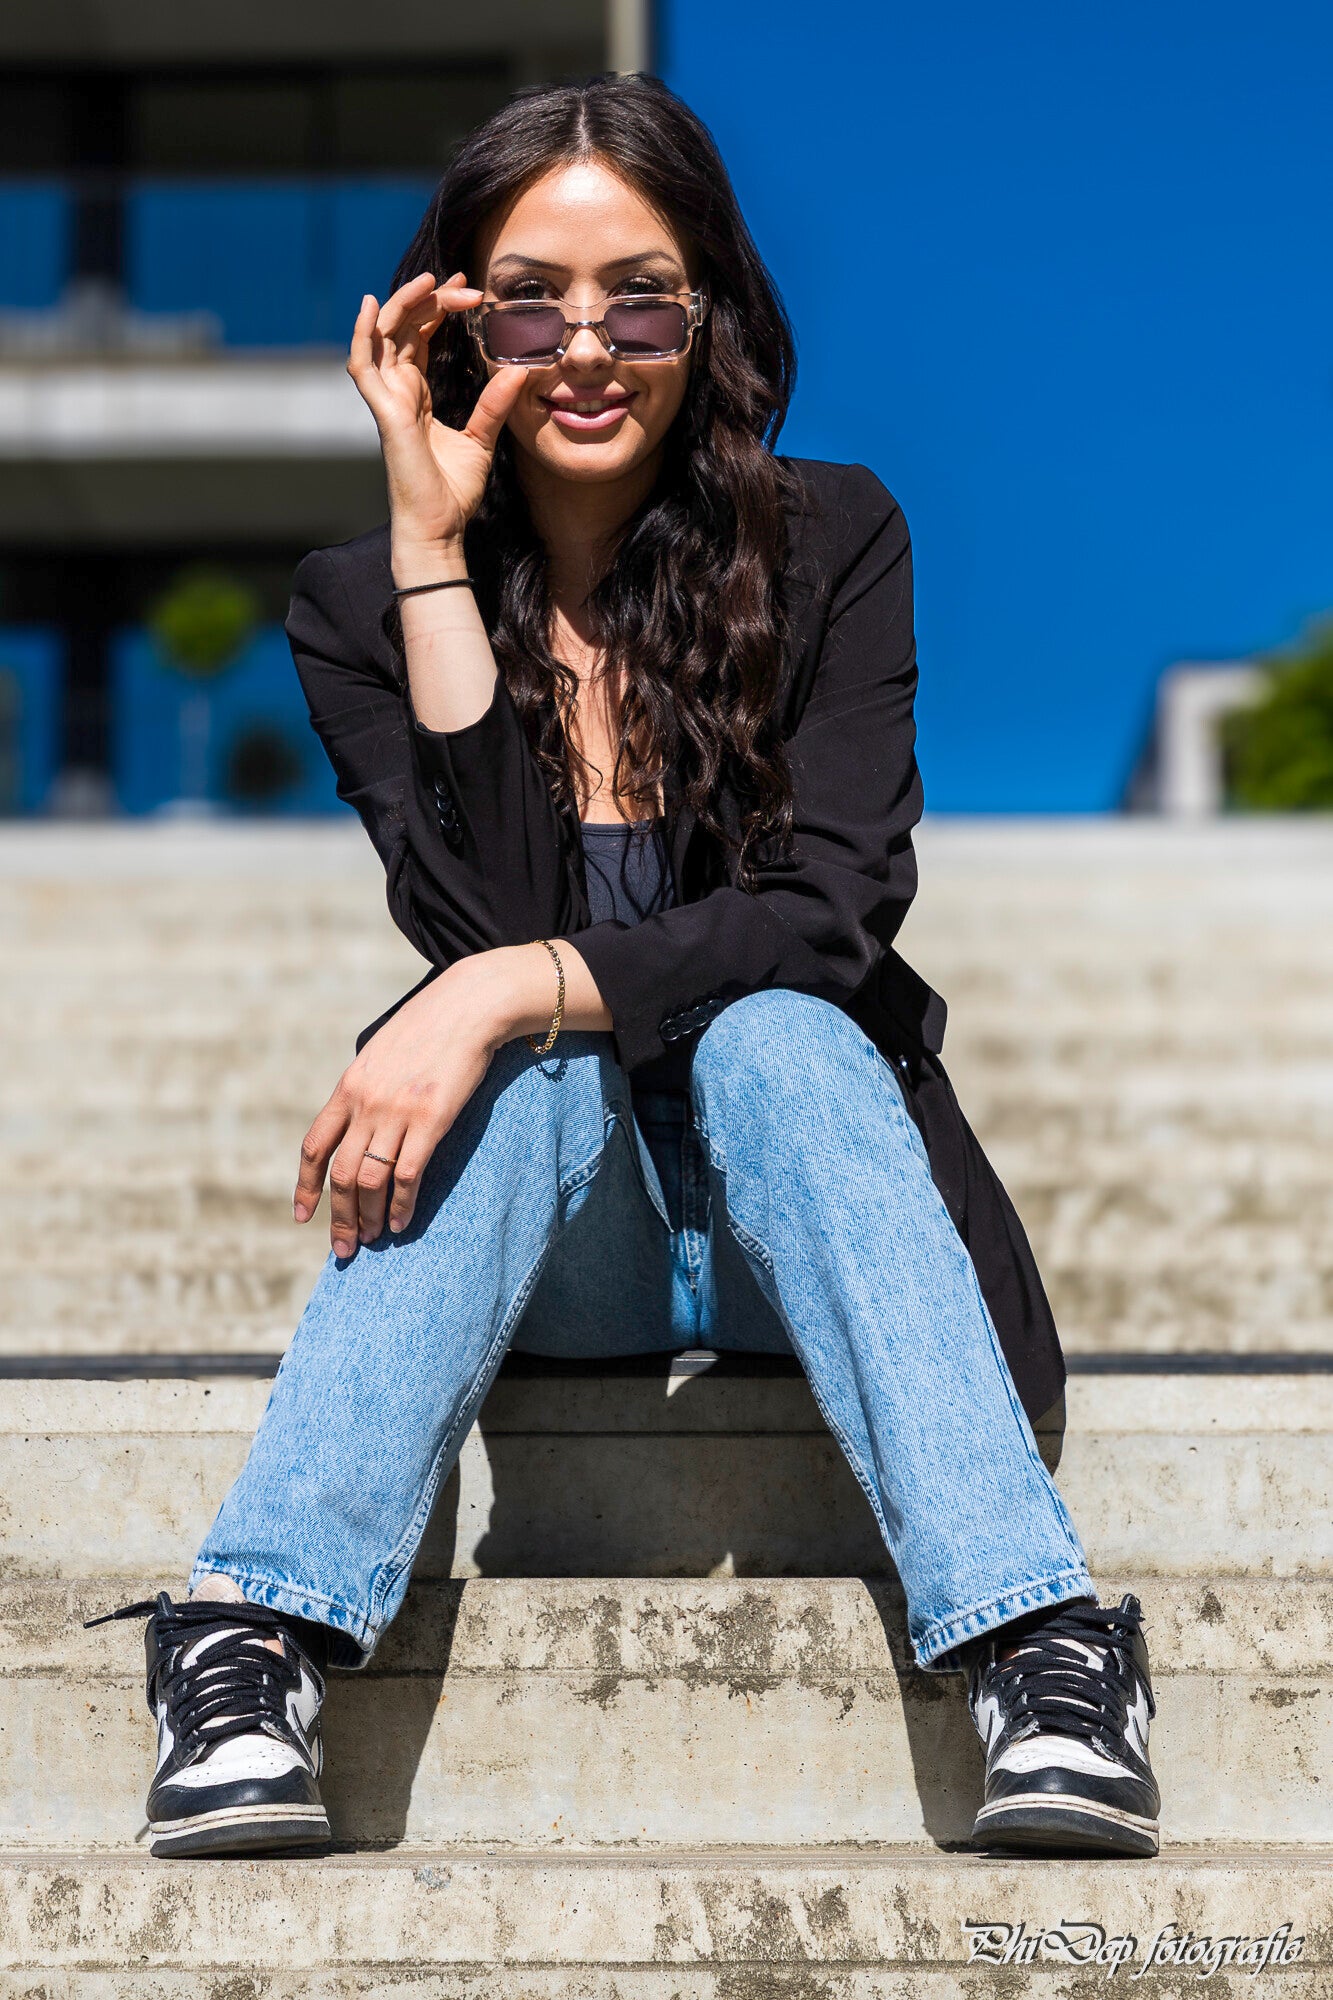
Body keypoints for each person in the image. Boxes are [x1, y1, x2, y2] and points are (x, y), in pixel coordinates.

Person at [90, 73, 1159, 1862]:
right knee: (533, 1057)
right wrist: (432, 549)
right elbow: (487, 915)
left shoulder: (831, 542)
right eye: (528, 300)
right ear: (456, 325)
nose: (583, 348)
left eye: (638, 299)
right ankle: (248, 1639)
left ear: (706, 315)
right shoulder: (359, 604)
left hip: (808, 1225)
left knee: (771, 1035)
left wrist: (495, 991)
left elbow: (827, 910)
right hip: (559, 1246)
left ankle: (1040, 1648)